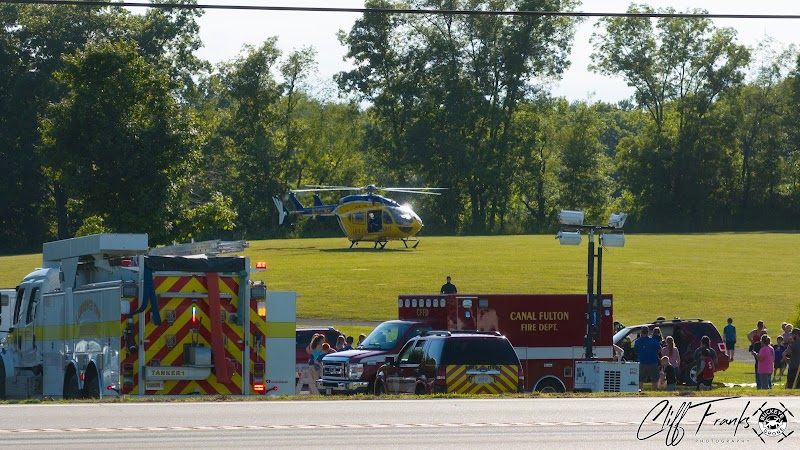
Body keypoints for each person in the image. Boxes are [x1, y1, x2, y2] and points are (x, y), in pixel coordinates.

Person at [634, 326, 662, 391]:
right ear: (648, 332)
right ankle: (653, 392)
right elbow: (659, 349)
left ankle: (640, 390)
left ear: (641, 332)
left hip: (642, 362)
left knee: (640, 379)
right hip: (653, 362)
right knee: (654, 379)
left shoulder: (637, 341)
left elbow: (635, 351)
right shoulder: (653, 341)